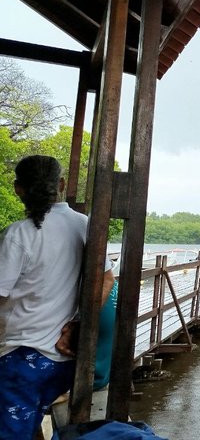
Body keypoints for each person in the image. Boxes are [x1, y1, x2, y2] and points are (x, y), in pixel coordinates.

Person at [0, 155, 115, 440]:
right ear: (61, 184)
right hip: (62, 362)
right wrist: (78, 323)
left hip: (19, 359)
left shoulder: (17, 235)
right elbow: (108, 278)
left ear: (18, 189)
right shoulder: (85, 225)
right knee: (30, 423)